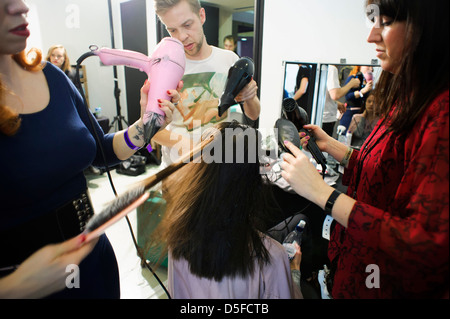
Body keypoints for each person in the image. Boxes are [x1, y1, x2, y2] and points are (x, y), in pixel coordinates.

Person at [0, 0, 179, 298]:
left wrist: (148, 124)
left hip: (95, 261)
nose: (20, 7)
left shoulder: (53, 77)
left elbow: (103, 153)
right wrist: (14, 288)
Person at [280, 0, 449, 299]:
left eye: (385, 22)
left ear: (429, 28)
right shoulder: (408, 97)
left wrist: (321, 193)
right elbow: (389, 170)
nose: (372, 36)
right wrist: (331, 146)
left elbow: (423, 245)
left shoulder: (442, 113)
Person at [145, 121, 302, 299]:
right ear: (254, 183)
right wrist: (294, 272)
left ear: (202, 174)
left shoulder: (178, 242)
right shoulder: (273, 258)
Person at [152, 0, 261, 167]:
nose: (181, 37)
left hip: (217, 165)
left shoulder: (229, 59)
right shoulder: (164, 67)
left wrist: (250, 97)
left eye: (187, 25)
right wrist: (184, 143)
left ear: (201, 16)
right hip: (178, 168)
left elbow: (253, 114)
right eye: (172, 30)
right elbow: (151, 132)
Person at [322, 65, 361, 137]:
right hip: (326, 119)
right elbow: (335, 94)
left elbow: (322, 93)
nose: (371, 70)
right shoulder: (331, 68)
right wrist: (351, 84)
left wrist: (336, 103)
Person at [338, 65, 374, 134]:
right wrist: (362, 91)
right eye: (368, 66)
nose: (371, 69)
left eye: (372, 67)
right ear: (360, 66)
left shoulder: (367, 81)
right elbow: (348, 96)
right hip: (350, 114)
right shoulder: (353, 78)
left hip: (362, 115)